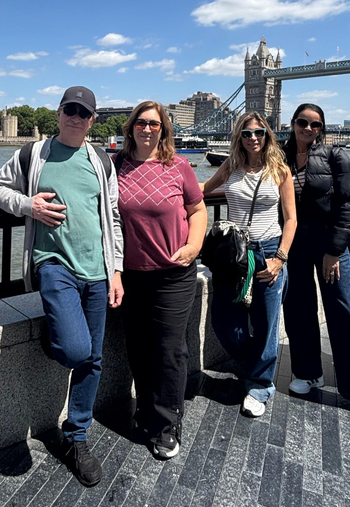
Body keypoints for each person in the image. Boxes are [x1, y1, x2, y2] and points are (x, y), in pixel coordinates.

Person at [0, 86, 123, 487]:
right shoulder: (33, 154)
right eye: (70, 110)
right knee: (77, 349)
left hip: (97, 269)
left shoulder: (101, 159)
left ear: (92, 120)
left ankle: (76, 436)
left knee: (93, 358)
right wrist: (30, 206)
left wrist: (116, 270)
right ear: (58, 113)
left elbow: (112, 215)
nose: (76, 118)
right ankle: (61, 336)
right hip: (54, 264)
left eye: (84, 113)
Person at [281, 103, 350, 428]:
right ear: (293, 124)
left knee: (343, 310)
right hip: (294, 245)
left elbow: (348, 203)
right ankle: (308, 373)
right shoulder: (280, 157)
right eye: (302, 122)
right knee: (298, 308)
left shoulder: (334, 155)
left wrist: (334, 249)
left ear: (322, 128)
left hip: (330, 245)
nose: (308, 129)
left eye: (315, 124)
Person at [114, 102, 206, 459]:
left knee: (169, 349)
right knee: (138, 347)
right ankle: (146, 408)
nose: (147, 129)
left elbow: (198, 210)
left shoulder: (179, 166)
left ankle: (168, 423)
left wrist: (194, 245)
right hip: (132, 274)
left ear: (164, 129)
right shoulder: (116, 166)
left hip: (173, 274)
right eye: (141, 122)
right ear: (131, 128)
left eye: (154, 123)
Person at [201, 112, 296, 418]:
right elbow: (201, 191)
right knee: (224, 321)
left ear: (267, 135)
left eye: (259, 132)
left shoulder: (280, 170)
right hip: (233, 254)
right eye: (246, 133)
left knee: (267, 322)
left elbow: (291, 219)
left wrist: (280, 258)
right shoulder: (230, 166)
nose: (253, 138)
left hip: (268, 250)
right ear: (238, 137)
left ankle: (259, 385)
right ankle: (255, 362)